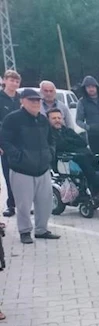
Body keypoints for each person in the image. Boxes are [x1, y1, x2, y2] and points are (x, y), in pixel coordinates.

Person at [0, 89, 59, 244]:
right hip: (22, 170)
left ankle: (41, 230)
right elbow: (4, 140)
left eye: (37, 100)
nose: (35, 103)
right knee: (23, 204)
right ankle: (25, 231)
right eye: (31, 100)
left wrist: (49, 154)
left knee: (45, 202)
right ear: (22, 101)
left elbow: (51, 139)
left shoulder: (43, 120)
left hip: (42, 168)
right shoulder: (12, 119)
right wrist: (17, 156)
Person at [47, 107, 99, 196]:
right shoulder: (48, 133)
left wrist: (68, 141)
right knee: (82, 158)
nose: (57, 120)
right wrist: (72, 142)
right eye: (54, 118)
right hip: (64, 159)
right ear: (48, 120)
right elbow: (60, 145)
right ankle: (96, 184)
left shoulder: (68, 130)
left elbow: (83, 142)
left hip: (85, 155)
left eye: (59, 118)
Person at [1, 69, 21, 217]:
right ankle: (11, 204)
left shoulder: (21, 99)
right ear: (5, 81)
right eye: (11, 80)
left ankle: (24, 204)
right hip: (5, 142)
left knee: (23, 174)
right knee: (9, 175)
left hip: (21, 141)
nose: (14, 83)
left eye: (16, 81)